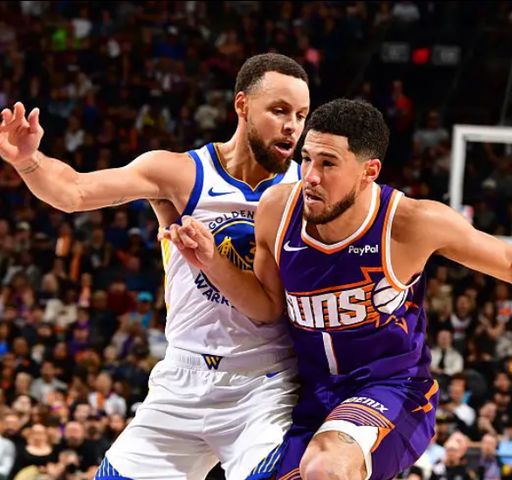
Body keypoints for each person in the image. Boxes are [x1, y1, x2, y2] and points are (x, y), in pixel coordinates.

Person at [161, 99, 512, 480]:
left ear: (369, 171)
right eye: (306, 159)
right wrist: (213, 263)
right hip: (309, 395)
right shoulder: (278, 210)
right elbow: (266, 306)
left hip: (393, 390)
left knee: (326, 467)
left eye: (328, 163)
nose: (310, 176)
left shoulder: (409, 223)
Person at [0, 53, 310, 480]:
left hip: (266, 382)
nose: (292, 126)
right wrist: (28, 161)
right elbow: (74, 191)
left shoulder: (305, 189)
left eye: (300, 115)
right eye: (279, 111)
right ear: (242, 105)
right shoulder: (180, 173)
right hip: (182, 377)